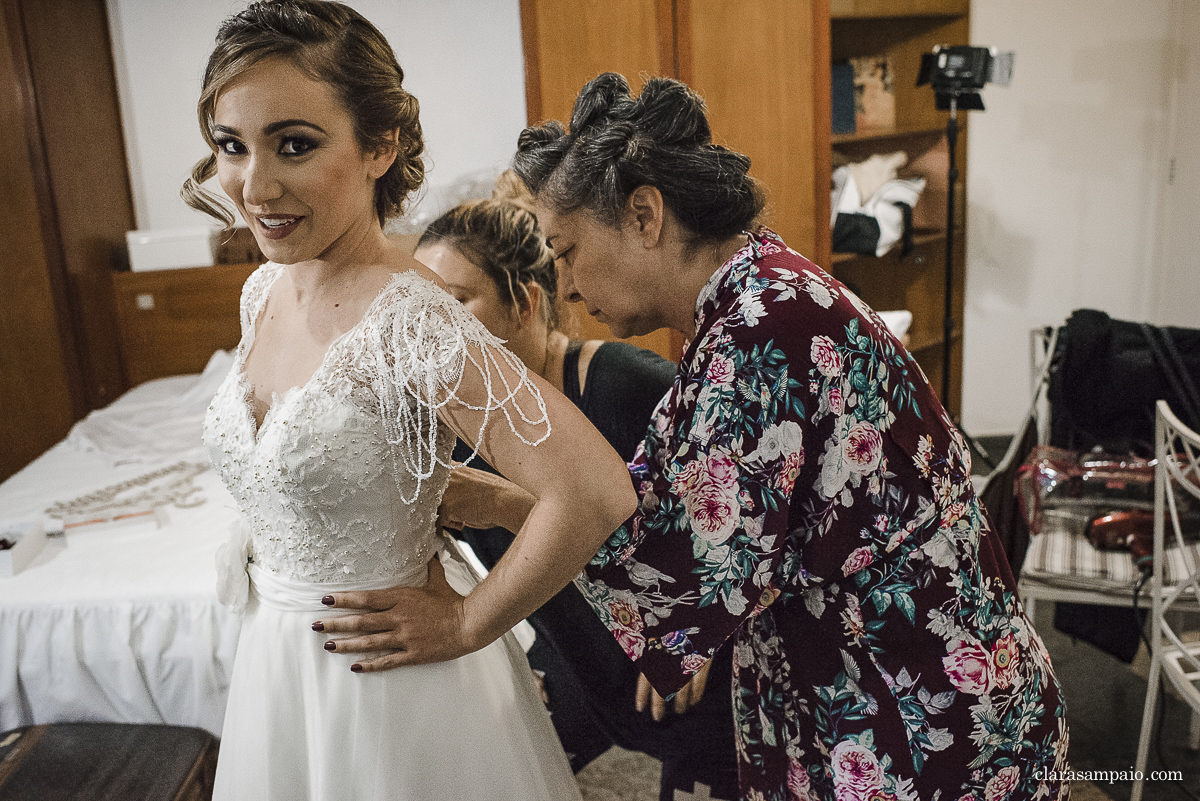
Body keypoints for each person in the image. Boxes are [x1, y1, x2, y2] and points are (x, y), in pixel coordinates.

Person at [326, 73, 1071, 801]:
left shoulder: (762, 331)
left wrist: (496, 520)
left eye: (568, 250)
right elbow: (668, 505)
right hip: (884, 682)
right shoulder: (750, 298)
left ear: (645, 216)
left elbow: (677, 575)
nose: (566, 283)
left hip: (917, 713)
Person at [185, 3, 634, 799]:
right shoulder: (262, 291)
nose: (254, 186)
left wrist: (469, 619)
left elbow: (591, 488)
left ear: (379, 145)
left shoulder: (409, 315)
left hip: (393, 690)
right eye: (231, 146)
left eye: (295, 144)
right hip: (280, 671)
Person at [409, 177, 740, 800]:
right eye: (421, 310)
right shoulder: (453, 421)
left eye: (456, 303)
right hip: (575, 658)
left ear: (526, 303)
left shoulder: (627, 386)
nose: (434, 330)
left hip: (679, 653)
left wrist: (703, 631)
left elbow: (739, 516)